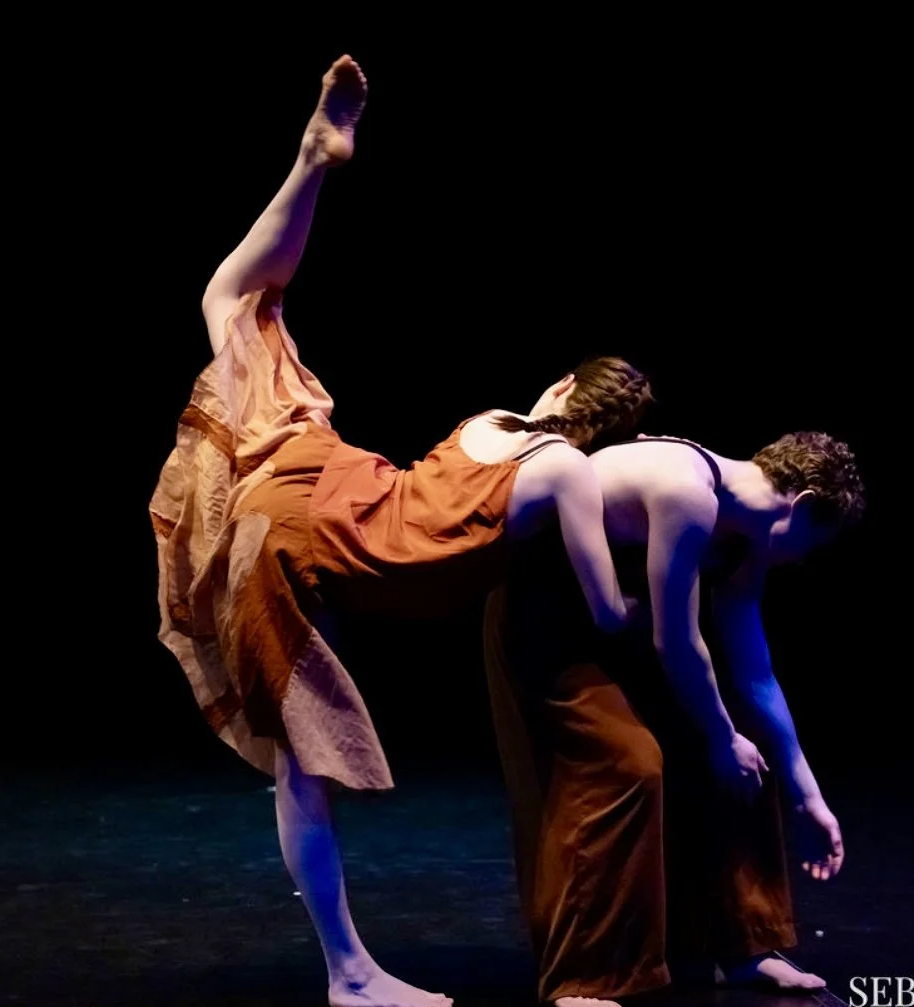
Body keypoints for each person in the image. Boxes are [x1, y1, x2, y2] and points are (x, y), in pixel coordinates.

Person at [148, 56, 652, 1007]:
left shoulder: (493, 423)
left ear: (555, 394)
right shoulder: (568, 472)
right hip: (311, 531)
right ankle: (349, 975)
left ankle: (311, 165)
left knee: (232, 303)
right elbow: (605, 611)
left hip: (315, 477)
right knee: (303, 771)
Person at [484, 430, 865, 1006]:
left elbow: (753, 669)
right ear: (804, 503)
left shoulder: (743, 538)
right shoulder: (687, 491)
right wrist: (719, 737)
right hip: (548, 626)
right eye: (813, 541)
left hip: (627, 630)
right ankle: (586, 976)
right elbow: (677, 642)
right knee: (628, 764)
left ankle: (743, 948)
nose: (805, 559)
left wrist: (805, 790)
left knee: (749, 751)